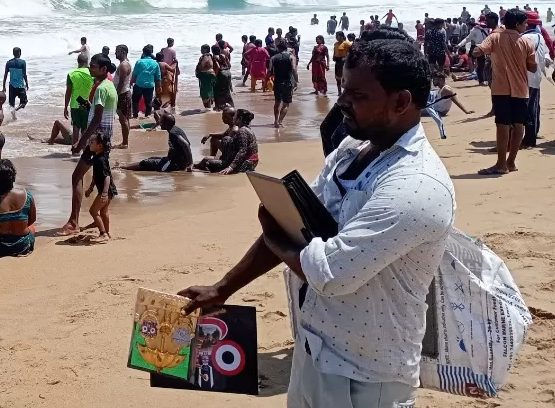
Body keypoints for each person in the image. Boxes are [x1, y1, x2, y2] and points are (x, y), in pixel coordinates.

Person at [178, 37, 454, 408]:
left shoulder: (415, 185)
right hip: (313, 347)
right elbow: (294, 226)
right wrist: (224, 287)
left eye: (358, 95)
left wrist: (275, 229)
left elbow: (329, 273)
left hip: (367, 377)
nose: (342, 102)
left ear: (401, 102)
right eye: (343, 88)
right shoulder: (353, 148)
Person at [59, 53, 116, 235]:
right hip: (104, 140)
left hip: (96, 142)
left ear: (103, 69)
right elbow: (101, 113)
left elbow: (97, 119)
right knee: (102, 176)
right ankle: (100, 216)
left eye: (93, 66)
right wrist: (88, 107)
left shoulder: (100, 88)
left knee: (77, 177)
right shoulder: (109, 86)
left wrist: (80, 142)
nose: (90, 68)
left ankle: (74, 222)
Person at [477, 8, 537, 175]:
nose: (526, 26)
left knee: (502, 125)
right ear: (517, 24)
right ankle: (511, 162)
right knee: (518, 125)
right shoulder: (526, 42)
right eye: (525, 23)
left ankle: (501, 164)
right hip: (520, 89)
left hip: (501, 88)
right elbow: (533, 67)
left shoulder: (495, 37)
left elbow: (479, 50)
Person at [120, 112, 193, 173]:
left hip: (172, 165)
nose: (160, 123)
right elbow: (186, 144)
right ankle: (125, 166)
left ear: (166, 123)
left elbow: (186, 144)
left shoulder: (173, 133)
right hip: (171, 160)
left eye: (161, 122)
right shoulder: (175, 129)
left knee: (146, 163)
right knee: (151, 158)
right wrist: (153, 127)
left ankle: (122, 167)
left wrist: (190, 164)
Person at [193, 109, 258, 174]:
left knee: (208, 163)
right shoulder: (245, 129)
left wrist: (231, 167)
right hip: (247, 161)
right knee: (226, 139)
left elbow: (242, 151)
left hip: (246, 164)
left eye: (235, 116)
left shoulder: (242, 131)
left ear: (239, 119)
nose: (233, 118)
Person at [521, 10, 551, 149]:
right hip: (536, 77)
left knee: (528, 109)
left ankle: (529, 140)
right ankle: (533, 133)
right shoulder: (539, 37)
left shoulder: (525, 39)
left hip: (526, 78)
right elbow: (545, 57)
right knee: (534, 106)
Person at [83, 132, 115, 242]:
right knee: (104, 212)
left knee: (93, 211)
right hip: (109, 190)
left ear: (100, 146)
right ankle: (107, 232)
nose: (89, 144)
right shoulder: (100, 158)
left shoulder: (99, 160)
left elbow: (106, 177)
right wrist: (91, 188)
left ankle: (103, 233)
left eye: (92, 142)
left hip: (105, 191)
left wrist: (104, 193)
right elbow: (96, 176)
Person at [64, 52, 94, 148]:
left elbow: (68, 92)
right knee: (85, 129)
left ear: (78, 62)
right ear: (87, 62)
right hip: (87, 104)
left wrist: (65, 107)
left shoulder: (71, 74)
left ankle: (74, 149)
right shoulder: (92, 74)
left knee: (76, 128)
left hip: (75, 104)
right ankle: (84, 150)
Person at [270, 39, 297, 128]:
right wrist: (296, 81)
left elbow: (270, 71)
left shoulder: (273, 58)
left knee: (277, 102)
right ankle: (280, 121)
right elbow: (293, 69)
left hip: (277, 82)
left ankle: (275, 121)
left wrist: (266, 81)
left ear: (278, 48)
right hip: (287, 82)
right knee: (286, 103)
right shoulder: (291, 57)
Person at [131, 44, 161, 119]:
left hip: (139, 85)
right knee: (148, 103)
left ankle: (135, 116)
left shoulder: (139, 62)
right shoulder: (155, 63)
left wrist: (131, 82)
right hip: (149, 86)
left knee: (135, 101)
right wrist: (159, 87)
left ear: (143, 53)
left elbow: (134, 74)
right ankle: (147, 116)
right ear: (151, 53)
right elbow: (158, 77)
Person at [114, 44, 133, 149]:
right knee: (125, 119)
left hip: (122, 94)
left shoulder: (123, 65)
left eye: (118, 51)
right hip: (125, 93)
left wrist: (116, 96)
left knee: (123, 119)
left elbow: (121, 83)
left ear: (124, 52)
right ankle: (125, 141)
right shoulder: (124, 64)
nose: (116, 53)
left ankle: (125, 143)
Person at [2, 48, 29, 119]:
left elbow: (5, 75)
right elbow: (24, 74)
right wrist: (27, 83)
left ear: (13, 53)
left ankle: (13, 117)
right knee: (24, 102)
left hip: (12, 86)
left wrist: (3, 86)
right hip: (20, 86)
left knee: (12, 104)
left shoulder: (8, 63)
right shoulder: (23, 62)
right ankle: (17, 109)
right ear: (20, 53)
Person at [211, 44, 234, 110]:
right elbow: (229, 65)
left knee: (216, 90)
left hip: (221, 73)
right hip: (228, 72)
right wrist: (226, 70)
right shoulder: (223, 55)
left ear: (212, 51)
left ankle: (217, 106)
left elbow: (217, 67)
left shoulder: (214, 57)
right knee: (227, 90)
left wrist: (215, 75)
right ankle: (232, 105)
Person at [332, 31, 351, 95]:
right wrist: (334, 56)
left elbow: (351, 53)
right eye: (336, 36)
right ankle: (339, 92)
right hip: (337, 62)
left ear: (342, 36)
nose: (336, 37)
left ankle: (346, 92)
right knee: (337, 78)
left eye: (338, 36)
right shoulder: (336, 44)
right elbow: (334, 51)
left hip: (344, 62)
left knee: (345, 78)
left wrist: (346, 58)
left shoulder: (347, 43)